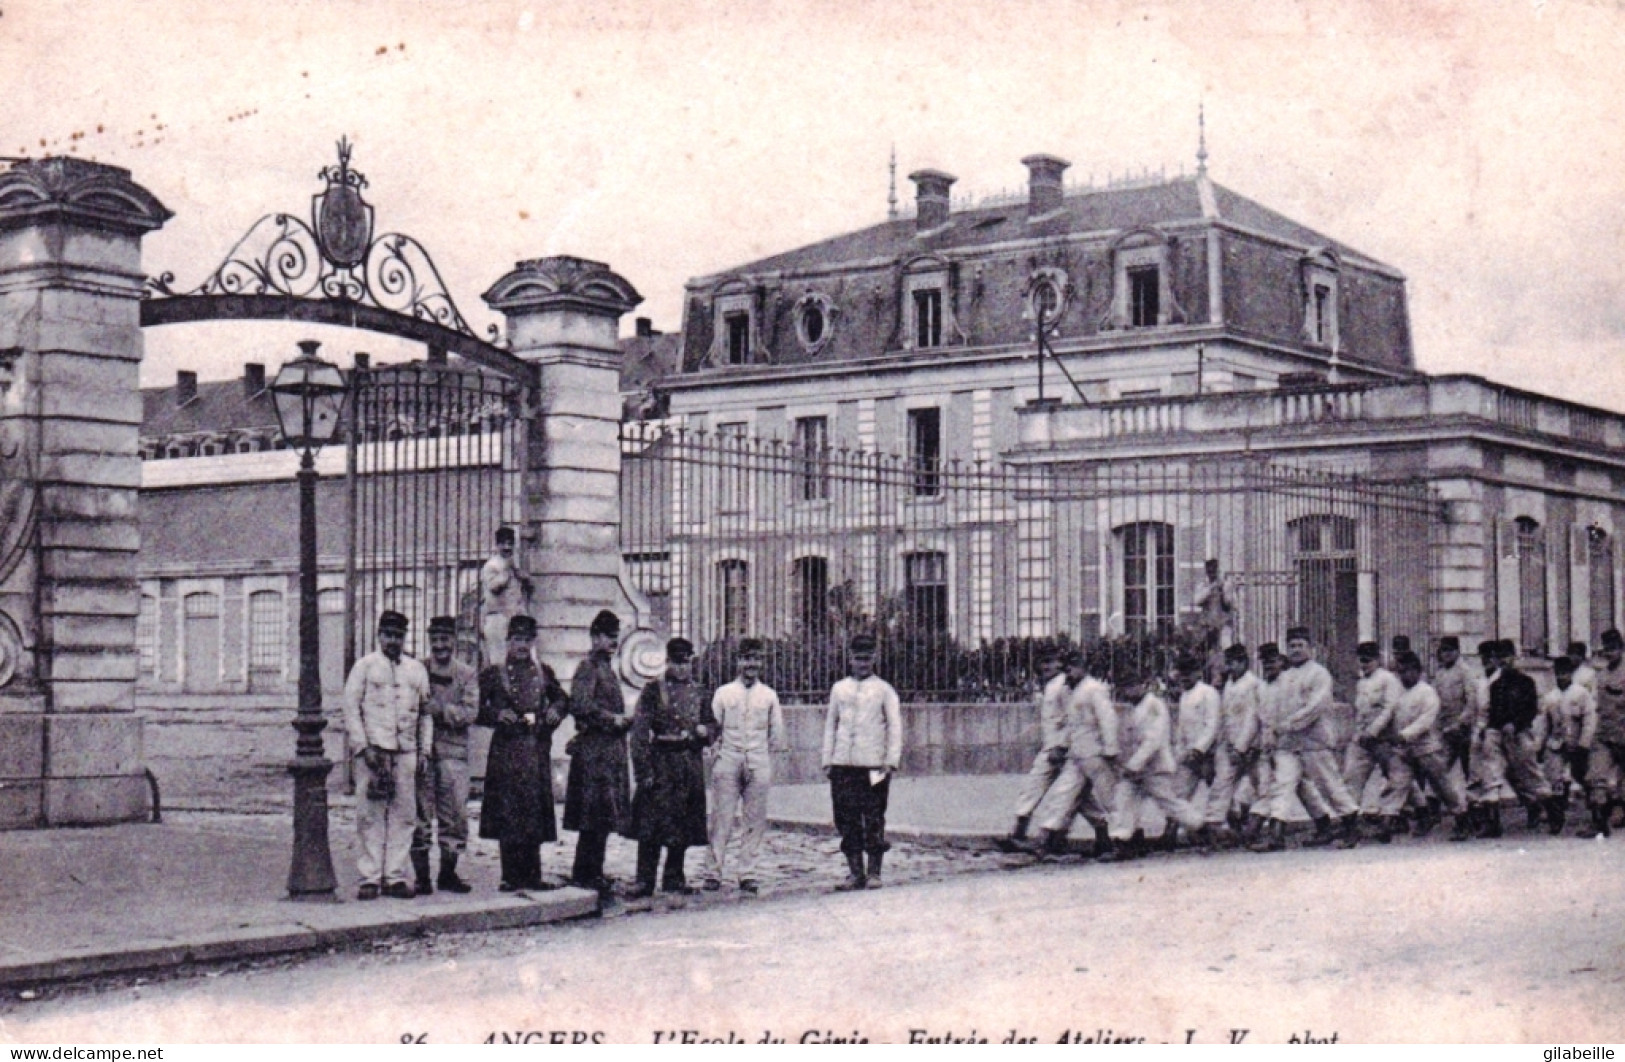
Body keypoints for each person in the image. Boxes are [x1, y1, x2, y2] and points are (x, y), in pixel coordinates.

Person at [343, 610, 432, 900]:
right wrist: (362, 746)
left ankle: (394, 875)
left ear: (405, 637)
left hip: (405, 752)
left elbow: (426, 714)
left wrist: (424, 751)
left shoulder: (416, 670)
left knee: (404, 815)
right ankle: (369, 877)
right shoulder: (364, 667)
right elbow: (351, 709)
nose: (393, 641)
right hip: (373, 752)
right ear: (379, 635)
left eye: (398, 635)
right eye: (388, 635)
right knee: (369, 814)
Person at [477, 614, 568, 891]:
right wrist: (496, 714)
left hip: (535, 748)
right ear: (508, 641)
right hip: (506, 750)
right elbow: (476, 708)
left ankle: (533, 875)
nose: (521, 645)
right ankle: (509, 876)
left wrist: (555, 711)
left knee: (534, 812)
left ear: (533, 642)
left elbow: (563, 698)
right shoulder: (494, 674)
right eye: (516, 639)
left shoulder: (543, 672)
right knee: (508, 812)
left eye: (526, 640)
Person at [629, 638, 715, 898]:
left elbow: (712, 725)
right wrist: (643, 771)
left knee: (683, 824)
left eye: (686, 662)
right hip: (661, 762)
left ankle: (674, 877)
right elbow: (640, 733)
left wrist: (706, 731)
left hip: (688, 763)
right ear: (667, 661)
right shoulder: (654, 690)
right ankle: (644, 879)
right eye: (676, 662)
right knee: (651, 827)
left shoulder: (700, 692)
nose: (681, 668)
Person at [1266, 626, 1361, 850]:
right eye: (1292, 646)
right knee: (1283, 785)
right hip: (1289, 745)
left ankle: (1351, 826)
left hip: (1314, 741)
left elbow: (1314, 707)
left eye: (1300, 645)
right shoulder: (1284, 677)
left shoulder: (1319, 674)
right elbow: (1274, 708)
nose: (1296, 650)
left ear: (1311, 648)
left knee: (1329, 785)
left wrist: (1288, 725)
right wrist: (1272, 732)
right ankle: (1277, 835)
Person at [704, 637, 786, 894]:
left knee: (755, 819)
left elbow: (776, 733)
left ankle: (747, 872)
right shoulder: (724, 693)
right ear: (738, 661)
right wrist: (715, 755)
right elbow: (712, 728)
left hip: (758, 760)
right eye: (746, 658)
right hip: (729, 758)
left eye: (756, 659)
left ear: (762, 662)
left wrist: (767, 760)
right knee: (721, 819)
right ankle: (713, 872)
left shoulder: (769, 695)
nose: (751, 664)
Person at [821, 633, 902, 891]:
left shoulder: (884, 690)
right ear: (850, 659)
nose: (862, 664)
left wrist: (891, 760)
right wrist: (828, 759)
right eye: (858, 658)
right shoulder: (839, 688)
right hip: (843, 764)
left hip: (874, 765)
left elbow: (895, 726)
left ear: (875, 659)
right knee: (846, 817)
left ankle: (874, 872)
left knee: (874, 816)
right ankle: (855, 873)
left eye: (867, 659)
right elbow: (831, 725)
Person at [1100, 667, 1206, 862]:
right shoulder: (1132, 708)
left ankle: (1201, 827)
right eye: (1124, 687)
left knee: (1170, 803)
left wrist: (1134, 764)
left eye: (1131, 686)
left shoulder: (1155, 706)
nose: (1127, 691)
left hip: (1155, 767)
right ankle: (1122, 842)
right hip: (1138, 769)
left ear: (1143, 685)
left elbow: (1153, 740)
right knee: (1123, 799)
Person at [563, 609, 634, 895]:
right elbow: (579, 706)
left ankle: (595, 870)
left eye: (615, 637)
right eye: (607, 637)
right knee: (591, 814)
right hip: (593, 753)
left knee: (604, 813)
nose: (612, 642)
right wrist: (612, 719)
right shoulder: (588, 668)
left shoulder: (607, 668)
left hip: (608, 752)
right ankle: (584, 872)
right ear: (594, 637)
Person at [1024, 648, 1119, 859]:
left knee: (1109, 797)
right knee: (1064, 794)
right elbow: (1070, 724)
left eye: (1074, 667)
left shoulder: (1094, 689)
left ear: (1083, 668)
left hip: (1096, 754)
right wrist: (1061, 746)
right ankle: (1047, 840)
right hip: (1077, 755)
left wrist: (1111, 749)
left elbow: (1107, 719)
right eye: (1067, 668)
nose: (1070, 672)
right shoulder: (1071, 691)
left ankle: (1124, 839)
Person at [411, 616, 481, 896]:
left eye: (445, 639)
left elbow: (470, 713)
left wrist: (440, 710)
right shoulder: (418, 670)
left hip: (454, 754)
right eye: (435, 639)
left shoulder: (466, 674)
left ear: (454, 640)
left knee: (455, 815)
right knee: (420, 813)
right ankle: (422, 877)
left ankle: (448, 874)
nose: (440, 645)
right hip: (422, 753)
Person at [1386, 651, 1473, 842]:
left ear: (1418, 671)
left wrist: (1404, 735)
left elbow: (1425, 721)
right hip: (1405, 749)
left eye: (1408, 671)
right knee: (1399, 783)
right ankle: (1389, 820)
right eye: (1400, 672)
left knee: (1441, 786)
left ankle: (1462, 818)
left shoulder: (1427, 692)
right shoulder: (1399, 693)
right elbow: (1392, 714)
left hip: (1427, 748)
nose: (1404, 676)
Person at [998, 647, 1069, 853]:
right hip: (1050, 749)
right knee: (1033, 786)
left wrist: (1061, 746)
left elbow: (1070, 720)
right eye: (1042, 662)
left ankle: (1104, 834)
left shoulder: (1063, 686)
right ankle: (1019, 832)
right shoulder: (1051, 686)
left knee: (1078, 797)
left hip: (1061, 750)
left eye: (1051, 661)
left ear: (1060, 663)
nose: (1045, 666)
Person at [1484, 639, 1558, 833]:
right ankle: (1493, 824)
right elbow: (1493, 711)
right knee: (1493, 775)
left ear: (1515, 657)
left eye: (1507, 656)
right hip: (1497, 734)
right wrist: (1492, 728)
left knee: (1530, 774)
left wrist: (1515, 724)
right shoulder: (1495, 685)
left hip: (1519, 734)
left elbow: (1532, 709)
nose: (1503, 661)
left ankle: (1553, 812)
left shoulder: (1526, 682)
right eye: (1499, 657)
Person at [1346, 641, 1405, 841]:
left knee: (1397, 778)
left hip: (1383, 738)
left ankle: (1404, 815)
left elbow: (1390, 709)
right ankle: (1350, 825)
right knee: (1352, 777)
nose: (1365, 664)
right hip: (1364, 739)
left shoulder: (1388, 680)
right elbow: (1360, 712)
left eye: (1369, 660)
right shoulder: (1361, 683)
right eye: (1361, 660)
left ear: (1378, 659)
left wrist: (1374, 731)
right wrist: (1359, 733)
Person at [1207, 643, 1265, 846]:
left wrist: (1243, 747)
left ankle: (1257, 825)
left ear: (1244, 663)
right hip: (1229, 744)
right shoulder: (1228, 684)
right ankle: (1215, 827)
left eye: (1234, 663)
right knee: (1221, 784)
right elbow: (1224, 716)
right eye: (1228, 663)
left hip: (1250, 746)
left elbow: (1253, 718)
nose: (1230, 667)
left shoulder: (1253, 685)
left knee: (1262, 786)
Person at [1535, 654, 1596, 836]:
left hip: (1577, 744)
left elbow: (1589, 719)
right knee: (1554, 781)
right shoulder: (1551, 697)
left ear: (1571, 673)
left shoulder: (1581, 693)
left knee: (1585, 778)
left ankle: (1597, 814)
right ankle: (1556, 818)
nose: (1562, 676)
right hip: (1556, 745)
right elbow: (1545, 724)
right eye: (1558, 673)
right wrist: (1540, 745)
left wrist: (1584, 743)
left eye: (1565, 673)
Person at [1580, 628, 1625, 838]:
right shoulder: (1601, 674)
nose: (1609, 654)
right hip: (1605, 734)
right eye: (1606, 650)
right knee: (1596, 777)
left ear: (1621, 649)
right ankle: (1599, 824)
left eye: (1613, 649)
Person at [480, 527, 534, 668]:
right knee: (499, 661)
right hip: (498, 619)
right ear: (497, 545)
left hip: (514, 619)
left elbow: (521, 592)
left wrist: (522, 576)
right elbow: (494, 587)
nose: (507, 547)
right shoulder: (491, 565)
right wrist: (507, 570)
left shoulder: (513, 565)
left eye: (510, 544)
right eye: (503, 544)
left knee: (522, 660)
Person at [1192, 559, 1235, 652]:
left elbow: (1229, 602)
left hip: (1224, 623)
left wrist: (1223, 589)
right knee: (1207, 650)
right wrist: (1210, 588)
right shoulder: (1203, 585)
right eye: (1209, 572)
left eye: (1214, 571)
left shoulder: (1226, 584)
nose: (1212, 574)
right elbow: (1196, 601)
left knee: (1226, 647)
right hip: (1208, 624)